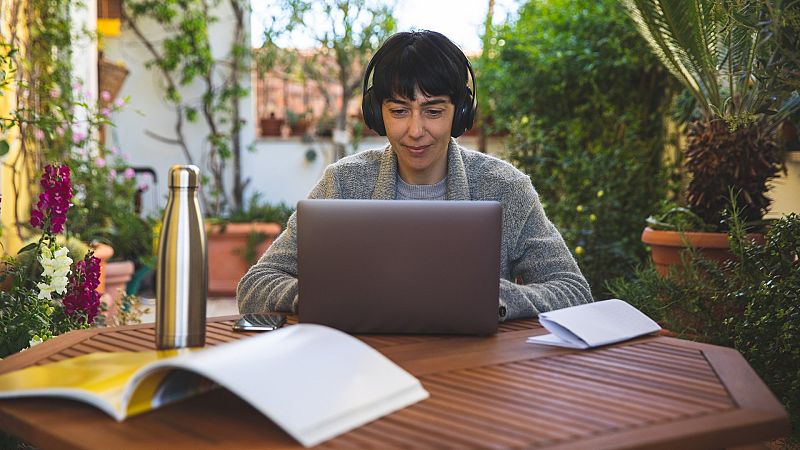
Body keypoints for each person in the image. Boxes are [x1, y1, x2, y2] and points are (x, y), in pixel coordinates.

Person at [237, 30, 592, 321]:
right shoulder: (342, 183)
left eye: (433, 111)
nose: (415, 130)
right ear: (378, 114)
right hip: (364, 368)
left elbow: (573, 290)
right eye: (399, 111)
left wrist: (494, 298)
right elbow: (255, 285)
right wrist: (320, 298)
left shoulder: (505, 187)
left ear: (461, 113)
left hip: (475, 373)